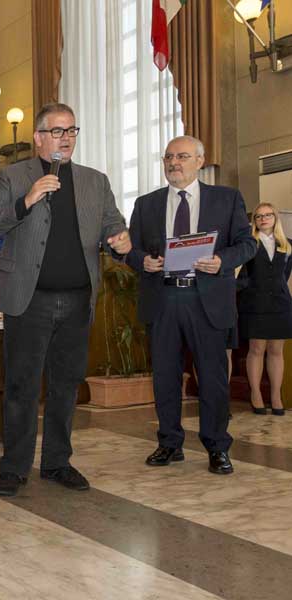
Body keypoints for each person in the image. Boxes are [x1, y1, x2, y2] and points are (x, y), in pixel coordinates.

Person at [0, 102, 131, 497]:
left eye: (71, 131)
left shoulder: (95, 181)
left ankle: (57, 462)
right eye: (57, 131)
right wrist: (27, 199)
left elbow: (113, 223)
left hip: (77, 301)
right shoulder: (13, 176)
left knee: (66, 386)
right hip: (29, 300)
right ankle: (14, 468)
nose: (66, 138)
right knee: (22, 387)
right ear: (38, 138)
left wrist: (120, 239)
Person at [126, 135, 256, 475]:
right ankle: (169, 443)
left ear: (200, 161)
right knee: (165, 376)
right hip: (163, 298)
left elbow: (247, 245)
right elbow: (128, 249)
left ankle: (217, 446)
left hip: (207, 299)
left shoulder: (226, 199)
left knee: (212, 377)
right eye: (168, 157)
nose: (174, 163)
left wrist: (221, 260)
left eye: (182, 156)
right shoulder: (146, 204)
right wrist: (142, 261)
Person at [238, 202, 291, 416]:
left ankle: (276, 396)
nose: (263, 219)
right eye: (259, 216)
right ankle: (256, 394)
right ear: (255, 221)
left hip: (280, 304)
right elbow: (243, 275)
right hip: (254, 304)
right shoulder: (249, 244)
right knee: (257, 349)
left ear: (275, 218)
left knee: (276, 351)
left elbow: (284, 275)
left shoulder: (287, 245)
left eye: (268, 215)